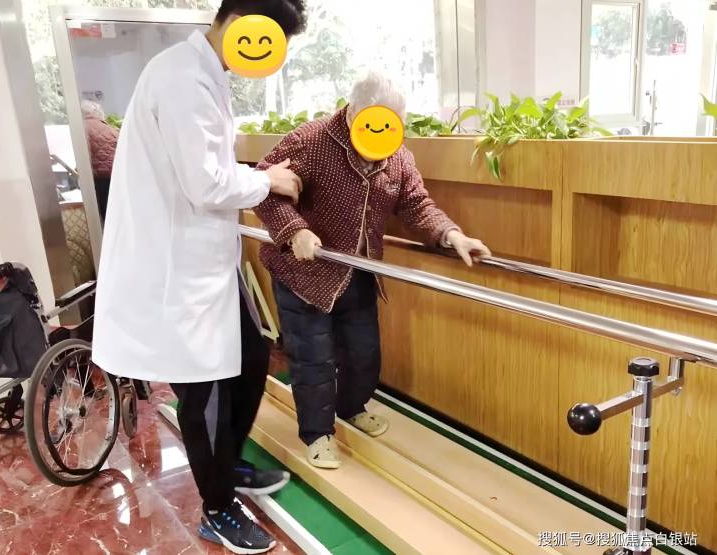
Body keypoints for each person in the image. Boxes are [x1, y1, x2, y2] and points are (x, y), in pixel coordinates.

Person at [91, 1, 307, 553]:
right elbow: (205, 183)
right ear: (241, 23)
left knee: (252, 358)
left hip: (204, 262)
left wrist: (254, 179)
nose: (267, 57)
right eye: (269, 41)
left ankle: (225, 465)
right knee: (205, 388)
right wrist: (268, 181)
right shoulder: (183, 80)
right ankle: (217, 507)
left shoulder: (202, 73)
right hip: (178, 268)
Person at [254, 72, 492, 469]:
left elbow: (417, 205)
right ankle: (317, 434)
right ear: (352, 114)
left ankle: (350, 408)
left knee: (363, 354)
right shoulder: (310, 141)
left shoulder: (398, 157)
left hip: (358, 272)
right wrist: (295, 230)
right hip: (303, 273)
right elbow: (262, 188)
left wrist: (452, 236)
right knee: (313, 359)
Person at [80, 100, 118, 223]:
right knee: (112, 211)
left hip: (96, 178)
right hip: (113, 175)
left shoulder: (82, 128)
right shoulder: (110, 129)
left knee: (100, 213)